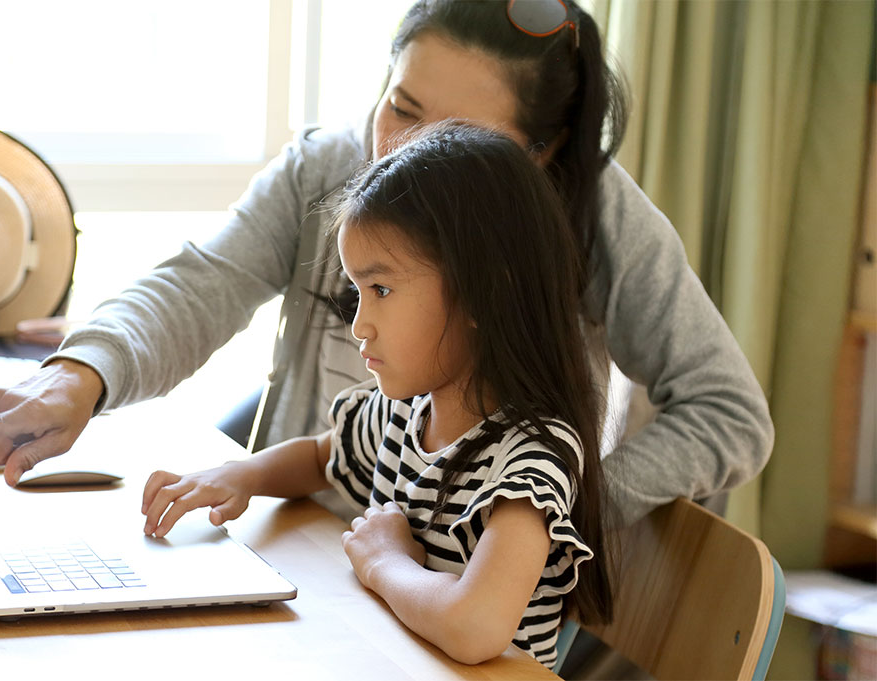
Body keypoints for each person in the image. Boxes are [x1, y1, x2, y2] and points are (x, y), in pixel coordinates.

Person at [0, 0, 773, 529]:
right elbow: (206, 282)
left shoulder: (598, 217)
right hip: (306, 548)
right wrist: (81, 375)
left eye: (456, 141)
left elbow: (729, 412)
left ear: (541, 151)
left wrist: (564, 512)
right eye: (400, 109)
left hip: (462, 598)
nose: (405, 158)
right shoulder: (325, 168)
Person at [141, 123, 612, 667]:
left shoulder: (530, 459)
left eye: (382, 290)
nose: (359, 325)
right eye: (358, 293)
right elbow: (325, 456)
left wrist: (386, 562)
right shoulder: (404, 412)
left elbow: (476, 626)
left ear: (487, 290)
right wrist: (240, 475)